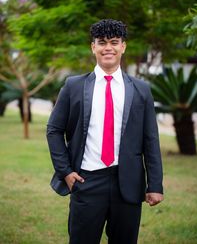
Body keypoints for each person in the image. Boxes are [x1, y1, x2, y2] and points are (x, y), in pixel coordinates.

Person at [46, 19, 164, 244]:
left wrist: (155, 185)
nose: (108, 47)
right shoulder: (74, 86)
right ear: (93, 47)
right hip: (87, 180)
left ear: (123, 46)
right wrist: (65, 172)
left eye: (114, 42)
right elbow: (54, 129)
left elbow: (151, 139)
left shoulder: (141, 90)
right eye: (101, 42)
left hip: (128, 183)